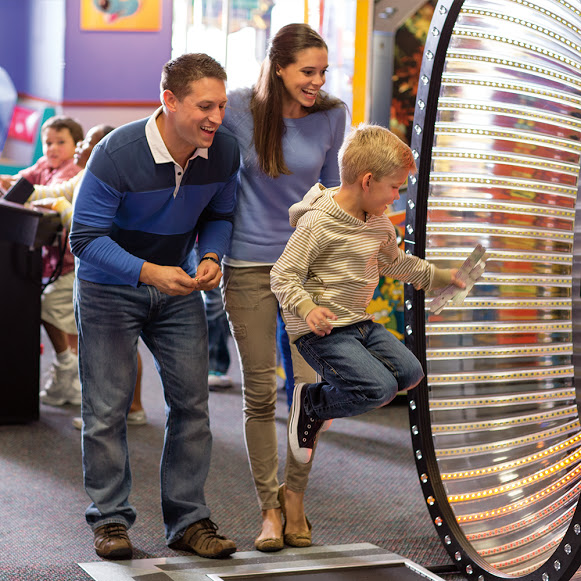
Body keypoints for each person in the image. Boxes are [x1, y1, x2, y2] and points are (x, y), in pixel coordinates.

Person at [69, 53, 239, 561]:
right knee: (106, 409)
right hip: (107, 288)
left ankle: (187, 520)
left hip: (176, 288)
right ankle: (110, 521)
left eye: (222, 106)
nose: (216, 118)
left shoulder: (224, 151)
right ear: (169, 100)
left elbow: (220, 213)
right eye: (204, 106)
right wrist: (147, 272)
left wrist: (210, 254)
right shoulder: (116, 154)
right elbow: (84, 238)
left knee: (193, 405)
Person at [221, 23, 347, 552]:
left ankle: (295, 499)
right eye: (307, 72)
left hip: (306, 271)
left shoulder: (331, 116)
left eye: (322, 72)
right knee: (258, 392)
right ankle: (268, 510)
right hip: (247, 264)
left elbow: (334, 191)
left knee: (307, 394)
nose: (317, 82)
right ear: (279, 67)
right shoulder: (234, 109)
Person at [270, 123, 465, 465]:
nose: (395, 197)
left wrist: (442, 276)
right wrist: (307, 307)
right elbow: (283, 274)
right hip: (322, 331)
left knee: (410, 372)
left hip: (359, 323)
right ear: (367, 180)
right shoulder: (317, 223)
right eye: (393, 187)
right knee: (378, 389)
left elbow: (397, 264)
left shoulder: (379, 224)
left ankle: (325, 399)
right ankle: (312, 403)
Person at [26, 123, 148, 426]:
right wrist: (17, 186)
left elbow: (84, 227)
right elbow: (53, 191)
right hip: (94, 273)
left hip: (114, 272)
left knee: (120, 341)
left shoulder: (114, 179)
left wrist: (59, 205)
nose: (79, 148)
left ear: (104, 148)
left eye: (86, 143)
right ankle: (117, 409)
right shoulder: (83, 175)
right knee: (104, 342)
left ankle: (128, 408)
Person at [1, 115, 84, 406]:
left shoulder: (72, 171)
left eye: (61, 142)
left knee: (50, 309)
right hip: (48, 260)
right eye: (48, 142)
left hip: (70, 262)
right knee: (65, 319)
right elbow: (21, 182)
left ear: (76, 147)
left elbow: (42, 199)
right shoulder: (43, 166)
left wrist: (21, 191)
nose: (52, 148)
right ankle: (69, 382)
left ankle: (66, 367)